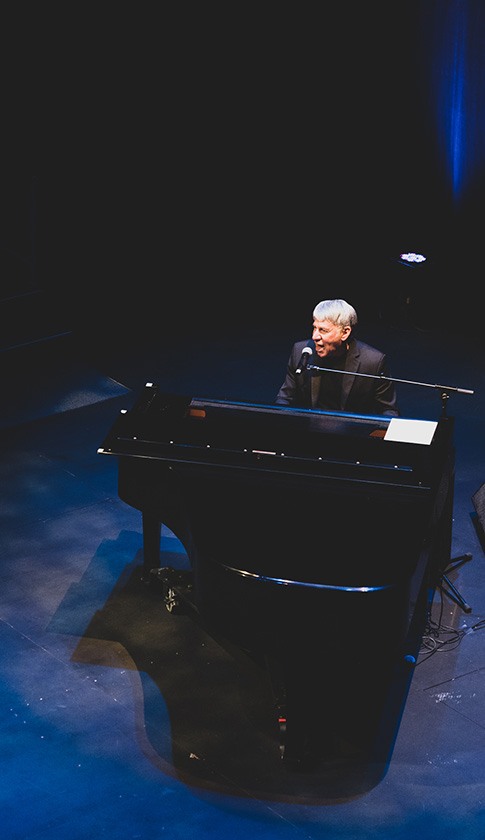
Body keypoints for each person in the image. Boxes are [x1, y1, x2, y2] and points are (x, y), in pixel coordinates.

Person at [275, 298, 399, 416]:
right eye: (314, 328)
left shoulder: (373, 361)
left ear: (345, 333)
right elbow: (285, 398)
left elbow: (388, 410)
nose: (315, 336)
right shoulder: (301, 352)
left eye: (323, 330)